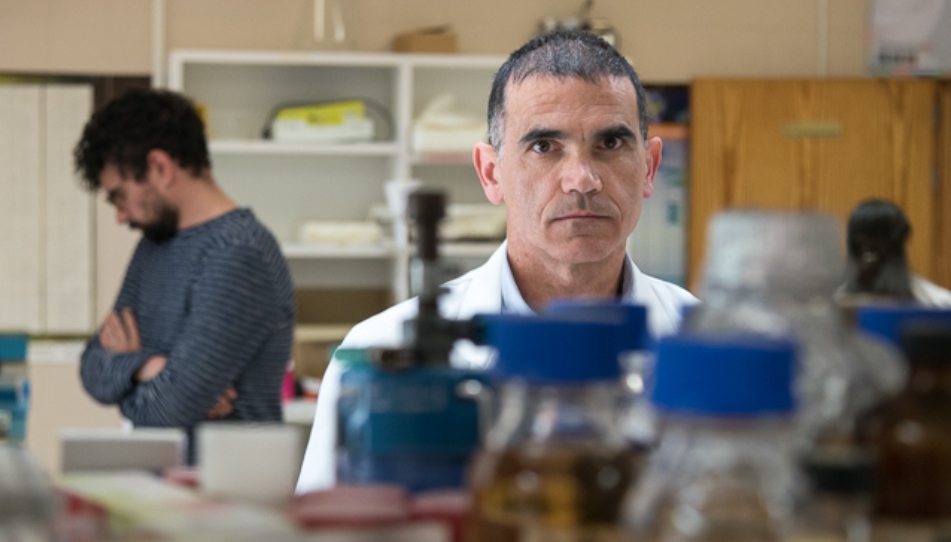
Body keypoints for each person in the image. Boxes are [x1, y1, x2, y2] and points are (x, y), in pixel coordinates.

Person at [296, 30, 700, 493]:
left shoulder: (701, 344)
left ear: (648, 168)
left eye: (610, 144)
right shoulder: (376, 351)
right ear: (491, 173)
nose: (582, 180)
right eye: (544, 147)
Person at [74, 89, 296, 460]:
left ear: (160, 168)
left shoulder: (238, 252)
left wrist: (135, 378)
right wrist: (150, 367)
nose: (120, 215)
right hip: (168, 491)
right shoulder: (155, 246)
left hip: (231, 501)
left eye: (119, 196)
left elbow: (168, 410)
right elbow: (91, 367)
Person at [839, 198, 951, 307]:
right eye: (862, 242)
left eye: (880, 241)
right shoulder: (831, 307)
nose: (870, 253)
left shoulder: (940, 304)